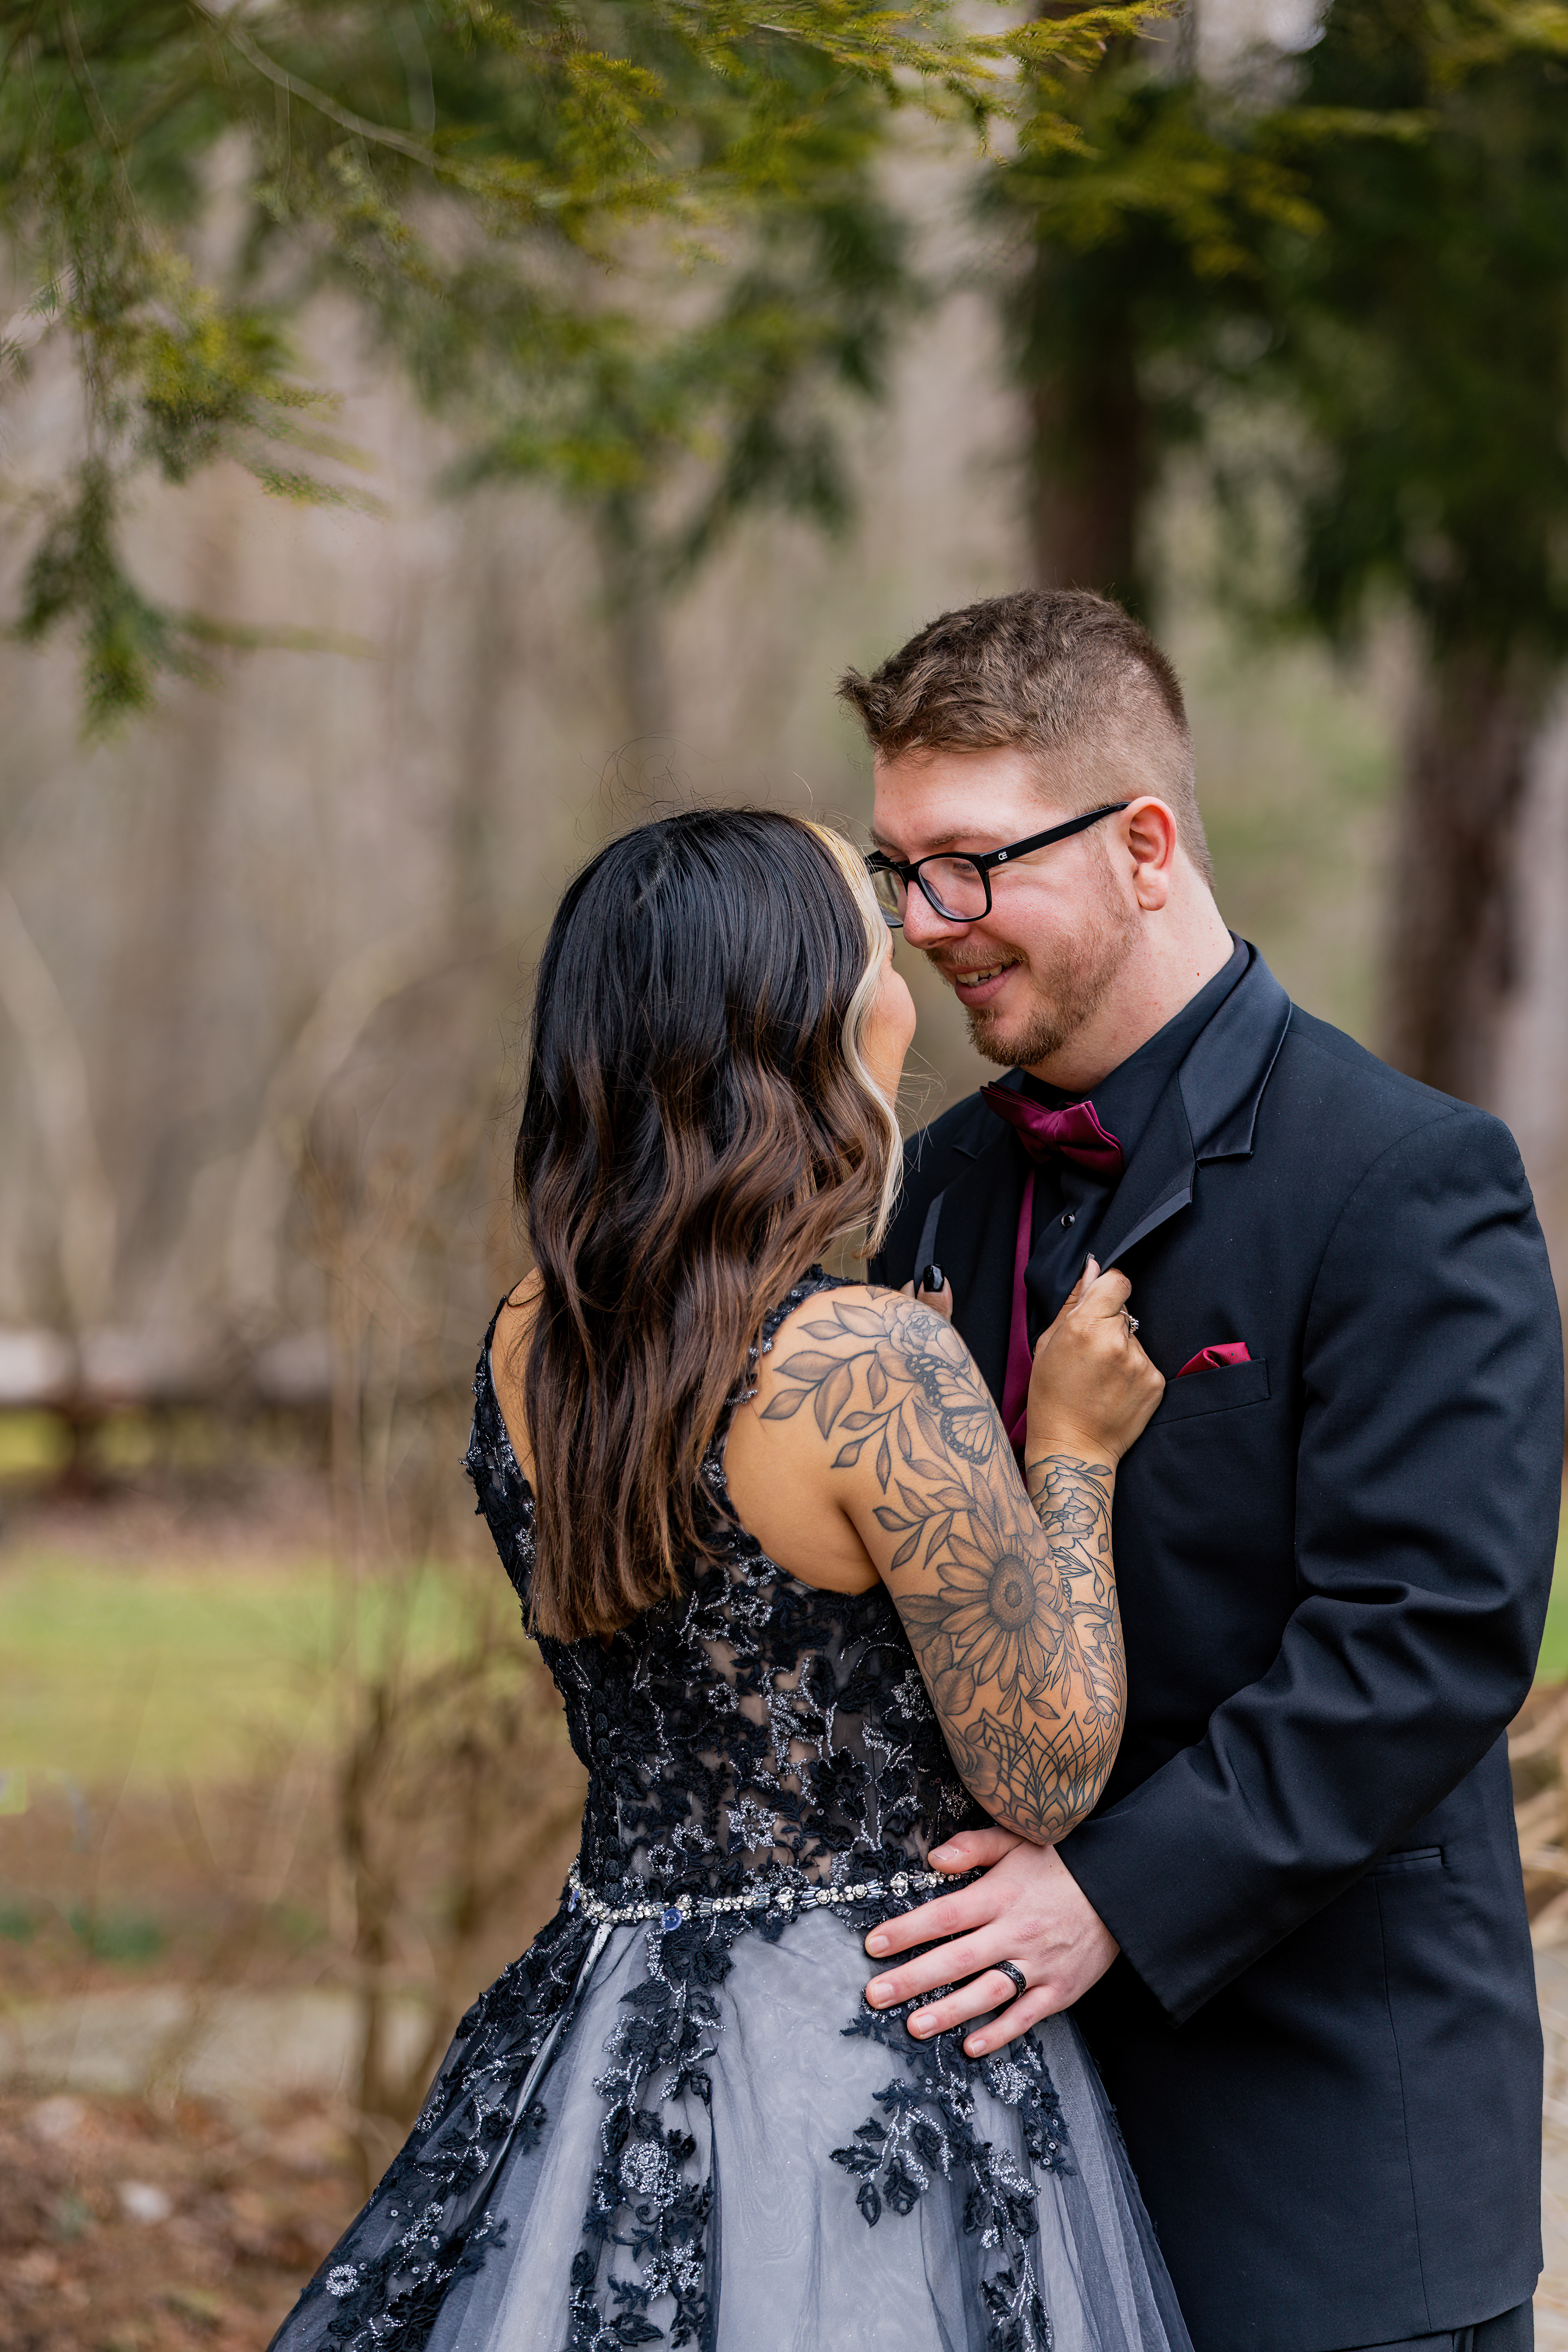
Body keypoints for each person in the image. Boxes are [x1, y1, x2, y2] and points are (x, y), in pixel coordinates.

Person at [265, 807, 1192, 2352]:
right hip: (871, 2057)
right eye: (870, 934)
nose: (903, 970)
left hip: (600, 2031)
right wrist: (1073, 1456)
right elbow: (1046, 1768)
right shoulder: (870, 1365)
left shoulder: (524, 1345)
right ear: (798, 1017)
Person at [854, 589, 1564, 2352]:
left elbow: (1431, 1636)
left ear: (1144, 843)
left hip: (1321, 2168)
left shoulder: (1407, 1176)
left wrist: (1108, 1894)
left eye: (967, 866)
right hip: (1000, 2147)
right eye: (897, 874)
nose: (924, 927)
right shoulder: (934, 1185)